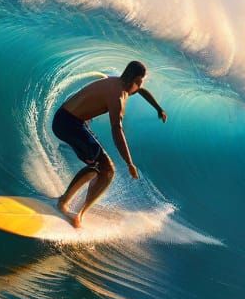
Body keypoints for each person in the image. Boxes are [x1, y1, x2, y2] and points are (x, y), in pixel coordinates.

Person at [52, 60, 167, 228]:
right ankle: (69, 208)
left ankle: (70, 205)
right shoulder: (118, 96)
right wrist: (129, 163)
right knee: (107, 170)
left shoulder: (119, 82)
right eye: (141, 80)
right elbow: (116, 130)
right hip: (69, 124)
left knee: (100, 167)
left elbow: (142, 92)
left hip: (68, 119)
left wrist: (158, 108)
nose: (142, 84)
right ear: (136, 79)